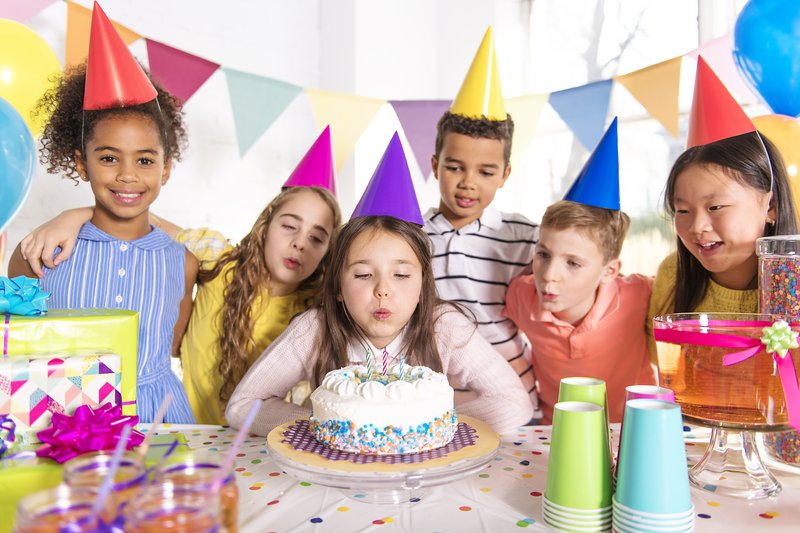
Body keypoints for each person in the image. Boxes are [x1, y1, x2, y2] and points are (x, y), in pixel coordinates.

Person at [16, 129, 341, 425]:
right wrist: (72, 215)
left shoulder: (313, 313)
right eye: (289, 225)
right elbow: (136, 216)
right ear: (266, 225)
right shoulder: (217, 259)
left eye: (317, 237)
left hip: (260, 442)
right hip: (191, 430)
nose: (300, 242)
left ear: (328, 250)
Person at [226, 134, 533, 436]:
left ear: (423, 284)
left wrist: (421, 424)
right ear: (337, 288)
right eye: (363, 275)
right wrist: (331, 422)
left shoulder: (446, 328)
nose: (383, 290)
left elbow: (514, 404)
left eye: (401, 275)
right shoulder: (314, 330)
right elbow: (242, 406)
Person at [7, 4, 196, 423]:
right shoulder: (40, 250)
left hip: (157, 417)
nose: (127, 175)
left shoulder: (183, 258)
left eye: (145, 161)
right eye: (109, 158)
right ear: (80, 162)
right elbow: (17, 351)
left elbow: (171, 345)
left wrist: (78, 211)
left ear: (166, 169)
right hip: (61, 420)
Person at [504, 119, 655, 424]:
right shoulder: (521, 296)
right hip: (555, 433)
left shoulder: (640, 295)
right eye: (543, 254)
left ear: (610, 270)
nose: (549, 275)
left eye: (572, 263)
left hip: (634, 431)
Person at [424, 27, 539, 416]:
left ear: (505, 174)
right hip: (435, 396)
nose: (468, 182)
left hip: (513, 393)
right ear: (436, 165)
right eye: (455, 167)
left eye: (486, 172)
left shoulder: (523, 237)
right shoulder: (410, 236)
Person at [648, 59, 799, 337]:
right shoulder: (673, 276)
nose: (697, 227)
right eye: (682, 211)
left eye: (715, 206)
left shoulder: (795, 286)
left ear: (771, 206)